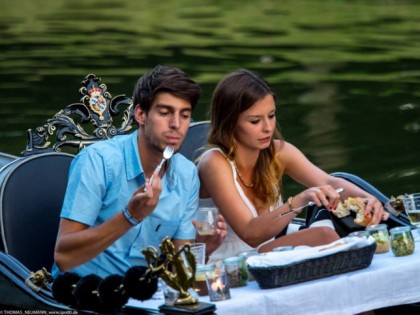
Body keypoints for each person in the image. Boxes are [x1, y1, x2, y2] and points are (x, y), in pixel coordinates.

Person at [52, 65, 226, 278]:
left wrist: (203, 250)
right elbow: (64, 258)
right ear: (141, 114)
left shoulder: (187, 174)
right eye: (165, 113)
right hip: (84, 294)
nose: (176, 124)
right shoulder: (98, 161)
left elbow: (178, 271)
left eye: (185, 115)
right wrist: (129, 216)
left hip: (148, 297)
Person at [197, 69, 387, 262]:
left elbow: (329, 181)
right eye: (255, 120)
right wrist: (301, 199)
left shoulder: (278, 152)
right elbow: (250, 233)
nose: (268, 128)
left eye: (271, 115)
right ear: (229, 122)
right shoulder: (214, 163)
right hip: (227, 266)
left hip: (270, 253)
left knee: (338, 233)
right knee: (323, 236)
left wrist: (368, 198)